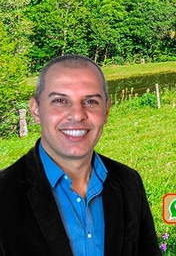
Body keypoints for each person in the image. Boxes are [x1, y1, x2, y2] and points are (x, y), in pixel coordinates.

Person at [0, 54, 160, 256]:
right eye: (60, 100)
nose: (77, 115)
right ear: (36, 110)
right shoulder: (4, 193)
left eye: (91, 101)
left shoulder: (129, 182)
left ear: (106, 110)